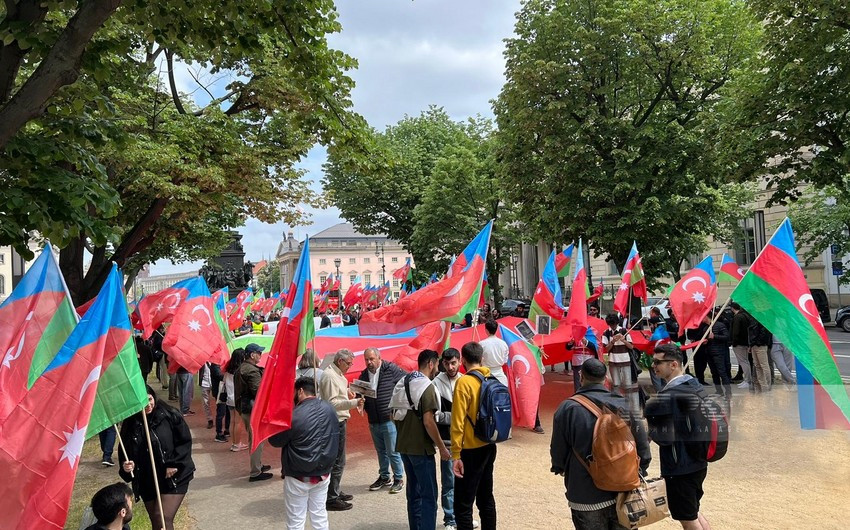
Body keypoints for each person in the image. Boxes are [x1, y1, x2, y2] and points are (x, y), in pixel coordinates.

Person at [550, 359, 651, 530]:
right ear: (605, 378)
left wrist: (559, 467)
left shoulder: (568, 408)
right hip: (623, 488)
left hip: (585, 490)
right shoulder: (624, 404)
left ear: (581, 377)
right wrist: (639, 470)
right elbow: (642, 446)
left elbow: (558, 449)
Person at [646, 344, 711, 530]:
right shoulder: (695, 385)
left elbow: (665, 438)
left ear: (673, 364)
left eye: (658, 362)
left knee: (687, 518)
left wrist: (651, 425)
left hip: (679, 466)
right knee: (693, 510)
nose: (654, 365)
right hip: (698, 460)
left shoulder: (669, 395)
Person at [390, 349, 451, 530]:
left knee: (413, 493)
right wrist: (441, 447)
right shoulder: (427, 387)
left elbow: (392, 413)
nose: (438, 368)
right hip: (421, 448)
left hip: (403, 446)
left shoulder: (403, 381)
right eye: (437, 364)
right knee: (429, 496)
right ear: (431, 363)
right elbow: (428, 421)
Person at [119, 386, 194, 530]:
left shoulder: (169, 415)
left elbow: (184, 441)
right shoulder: (130, 424)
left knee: (162, 517)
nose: (148, 405)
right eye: (142, 402)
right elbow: (125, 453)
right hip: (148, 479)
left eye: (150, 399)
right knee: (155, 520)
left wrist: (174, 463)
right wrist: (127, 466)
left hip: (173, 477)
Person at [270, 377, 339, 530]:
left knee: (296, 520)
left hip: (299, 474)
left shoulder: (294, 415)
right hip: (323, 471)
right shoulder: (330, 408)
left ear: (300, 391)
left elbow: (275, 441)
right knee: (319, 515)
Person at [451, 342, 497, 530]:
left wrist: (455, 454)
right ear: (482, 358)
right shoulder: (492, 378)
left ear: (463, 360)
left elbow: (457, 422)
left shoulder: (464, 382)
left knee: (463, 504)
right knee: (486, 497)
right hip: (489, 444)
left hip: (469, 449)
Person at [318, 348, 364, 511]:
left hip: (338, 420)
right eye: (349, 363)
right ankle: (331, 497)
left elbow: (338, 394)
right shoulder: (330, 376)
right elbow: (332, 403)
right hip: (334, 422)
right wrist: (353, 403)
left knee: (338, 459)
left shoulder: (336, 374)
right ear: (340, 361)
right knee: (338, 460)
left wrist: (347, 392)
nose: (350, 366)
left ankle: (334, 490)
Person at [361, 347, 407, 494]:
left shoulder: (391, 369)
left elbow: (406, 382)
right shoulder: (363, 375)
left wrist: (399, 405)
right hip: (373, 420)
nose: (369, 362)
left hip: (389, 418)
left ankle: (398, 478)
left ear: (379, 358)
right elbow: (359, 393)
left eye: (371, 359)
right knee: (380, 451)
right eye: (366, 359)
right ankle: (384, 476)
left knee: (393, 451)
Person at [433, 348, 463, 530]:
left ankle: (462, 517)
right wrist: (458, 417)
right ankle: (450, 519)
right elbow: (435, 415)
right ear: (442, 363)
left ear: (459, 361)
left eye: (454, 363)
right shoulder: (436, 383)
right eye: (447, 363)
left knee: (465, 482)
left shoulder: (466, 381)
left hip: (466, 442)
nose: (451, 367)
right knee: (449, 481)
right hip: (447, 441)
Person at [234, 342, 272, 481]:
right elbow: (259, 392)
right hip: (252, 409)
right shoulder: (251, 370)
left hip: (245, 409)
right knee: (257, 440)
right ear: (252, 354)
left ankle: (257, 465)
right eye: (259, 353)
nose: (261, 355)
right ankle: (255, 471)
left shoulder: (242, 368)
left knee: (254, 439)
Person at [602, 314, 640, 415]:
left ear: (617, 323)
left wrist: (623, 340)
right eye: (611, 325)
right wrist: (613, 341)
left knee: (627, 383)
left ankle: (628, 406)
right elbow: (606, 349)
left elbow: (631, 347)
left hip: (625, 359)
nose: (612, 327)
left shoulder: (624, 331)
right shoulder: (606, 333)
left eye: (614, 324)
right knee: (616, 384)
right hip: (613, 360)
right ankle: (617, 405)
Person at [702, 314, 732, 400]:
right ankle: (719, 391)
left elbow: (726, 337)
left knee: (722, 372)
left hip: (719, 352)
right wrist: (705, 341)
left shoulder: (720, 325)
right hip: (709, 352)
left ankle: (728, 392)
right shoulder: (705, 328)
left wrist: (715, 336)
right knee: (714, 373)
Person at [224, 348, 247, 450]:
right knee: (238, 422)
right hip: (238, 399)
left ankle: (234, 443)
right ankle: (237, 443)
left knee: (233, 421)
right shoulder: (241, 371)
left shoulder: (227, 370)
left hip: (229, 398)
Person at [479, 320, 509, 386]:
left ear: (486, 330)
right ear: (496, 329)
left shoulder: (481, 344)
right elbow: (505, 360)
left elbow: (478, 361)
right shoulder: (503, 344)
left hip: (486, 377)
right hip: (500, 377)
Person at [729, 302, 752, 388]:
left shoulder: (738, 317)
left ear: (732, 308)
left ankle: (747, 380)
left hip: (739, 343)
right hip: (745, 342)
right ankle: (747, 379)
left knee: (743, 362)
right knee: (745, 361)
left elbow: (736, 331)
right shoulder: (745, 316)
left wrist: (733, 342)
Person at [748, 315, 773, 393]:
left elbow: (764, 333)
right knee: (758, 365)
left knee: (763, 365)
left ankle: (767, 385)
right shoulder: (754, 319)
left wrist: (757, 342)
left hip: (760, 345)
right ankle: (763, 384)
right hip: (755, 344)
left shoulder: (762, 318)